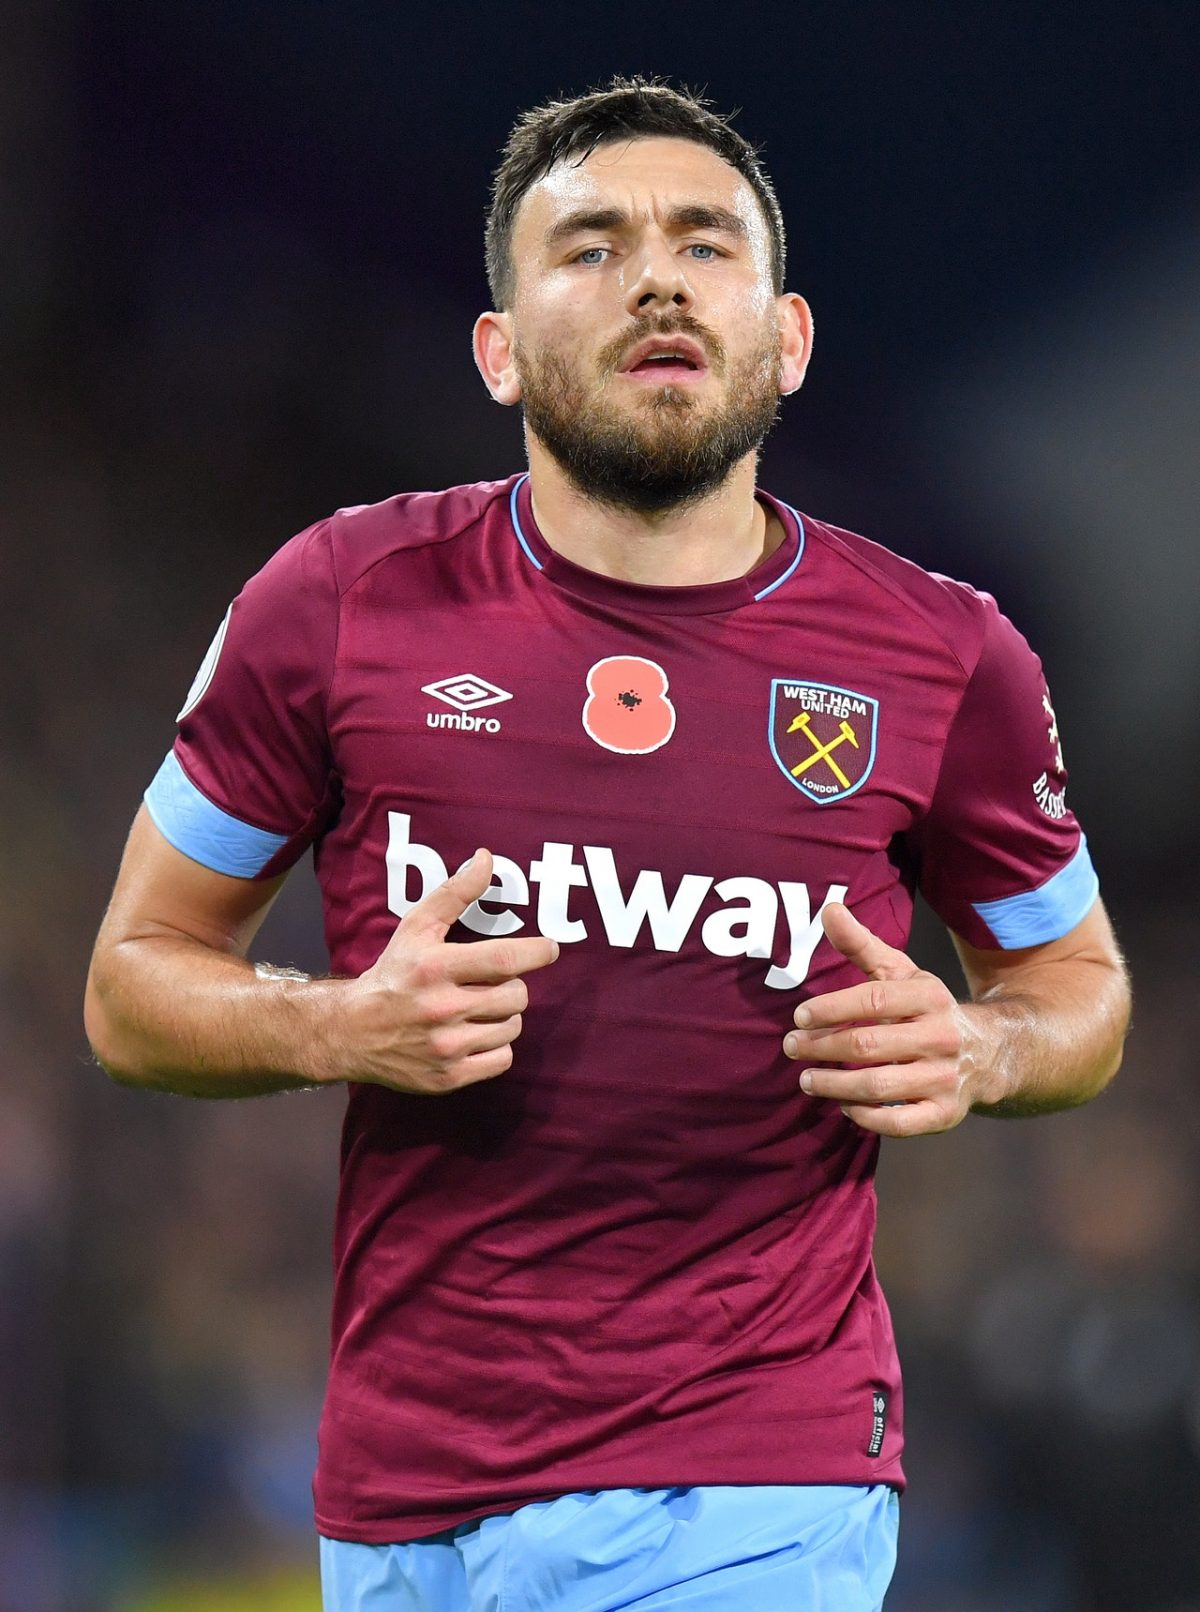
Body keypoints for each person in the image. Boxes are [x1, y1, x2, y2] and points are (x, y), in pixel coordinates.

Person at [85, 76, 1130, 1612]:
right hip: (404, 1492)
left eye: (706, 243)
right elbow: (131, 985)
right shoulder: (337, 603)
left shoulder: (945, 658)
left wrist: (984, 1048)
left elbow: (1080, 992)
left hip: (758, 1477)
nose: (656, 279)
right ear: (499, 349)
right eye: (592, 247)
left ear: (788, 340)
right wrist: (337, 1024)